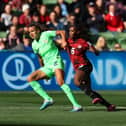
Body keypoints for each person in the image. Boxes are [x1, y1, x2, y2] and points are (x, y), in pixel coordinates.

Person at [27, 23, 82, 112]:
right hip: (47, 66)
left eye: (33, 31)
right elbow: (40, 57)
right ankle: (47, 99)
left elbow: (62, 32)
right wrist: (43, 70)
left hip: (56, 61)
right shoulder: (34, 44)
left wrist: (64, 41)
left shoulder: (46, 34)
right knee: (30, 78)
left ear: (38, 31)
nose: (31, 33)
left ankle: (76, 105)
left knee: (60, 82)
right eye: (29, 32)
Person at [63, 24, 116, 111]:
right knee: (89, 90)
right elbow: (60, 43)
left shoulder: (83, 42)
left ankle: (93, 97)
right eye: (70, 31)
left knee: (76, 81)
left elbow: (95, 51)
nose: (71, 33)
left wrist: (93, 49)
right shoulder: (67, 42)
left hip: (85, 65)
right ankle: (109, 106)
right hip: (79, 67)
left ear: (77, 32)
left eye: (73, 31)